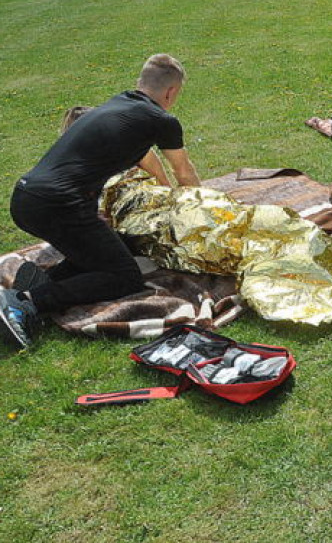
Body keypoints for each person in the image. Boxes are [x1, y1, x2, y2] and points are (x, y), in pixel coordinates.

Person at [1, 54, 201, 350]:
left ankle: (46, 280)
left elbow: (142, 157)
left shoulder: (118, 106)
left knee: (112, 247)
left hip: (26, 198)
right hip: (59, 206)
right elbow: (184, 172)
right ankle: (25, 303)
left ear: (140, 83)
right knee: (124, 276)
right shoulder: (162, 120)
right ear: (171, 92)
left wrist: (162, 187)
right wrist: (202, 205)